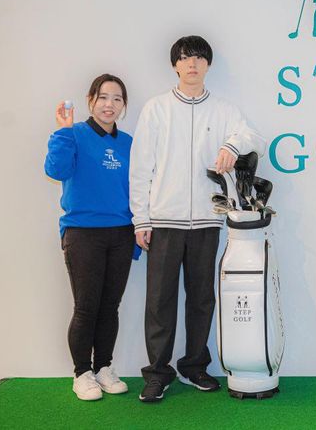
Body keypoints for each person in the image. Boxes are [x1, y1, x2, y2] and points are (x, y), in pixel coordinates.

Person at [130, 35, 266, 403]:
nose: (192, 64)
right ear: (175, 65)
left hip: (207, 220)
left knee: (202, 298)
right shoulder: (156, 109)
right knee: (159, 301)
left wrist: (232, 145)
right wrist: (141, 219)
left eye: (199, 58)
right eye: (185, 58)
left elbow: (254, 138)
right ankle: (158, 373)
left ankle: (194, 367)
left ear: (208, 65)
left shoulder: (224, 110)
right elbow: (140, 167)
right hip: (164, 221)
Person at [44, 74, 135, 401]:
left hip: (121, 233)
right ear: (90, 100)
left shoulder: (129, 143)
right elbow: (56, 171)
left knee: (110, 306)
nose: (110, 105)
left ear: (124, 105)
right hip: (82, 233)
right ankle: (82, 373)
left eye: (117, 99)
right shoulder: (74, 134)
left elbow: (138, 188)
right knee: (86, 307)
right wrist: (63, 131)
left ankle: (104, 368)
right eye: (103, 97)